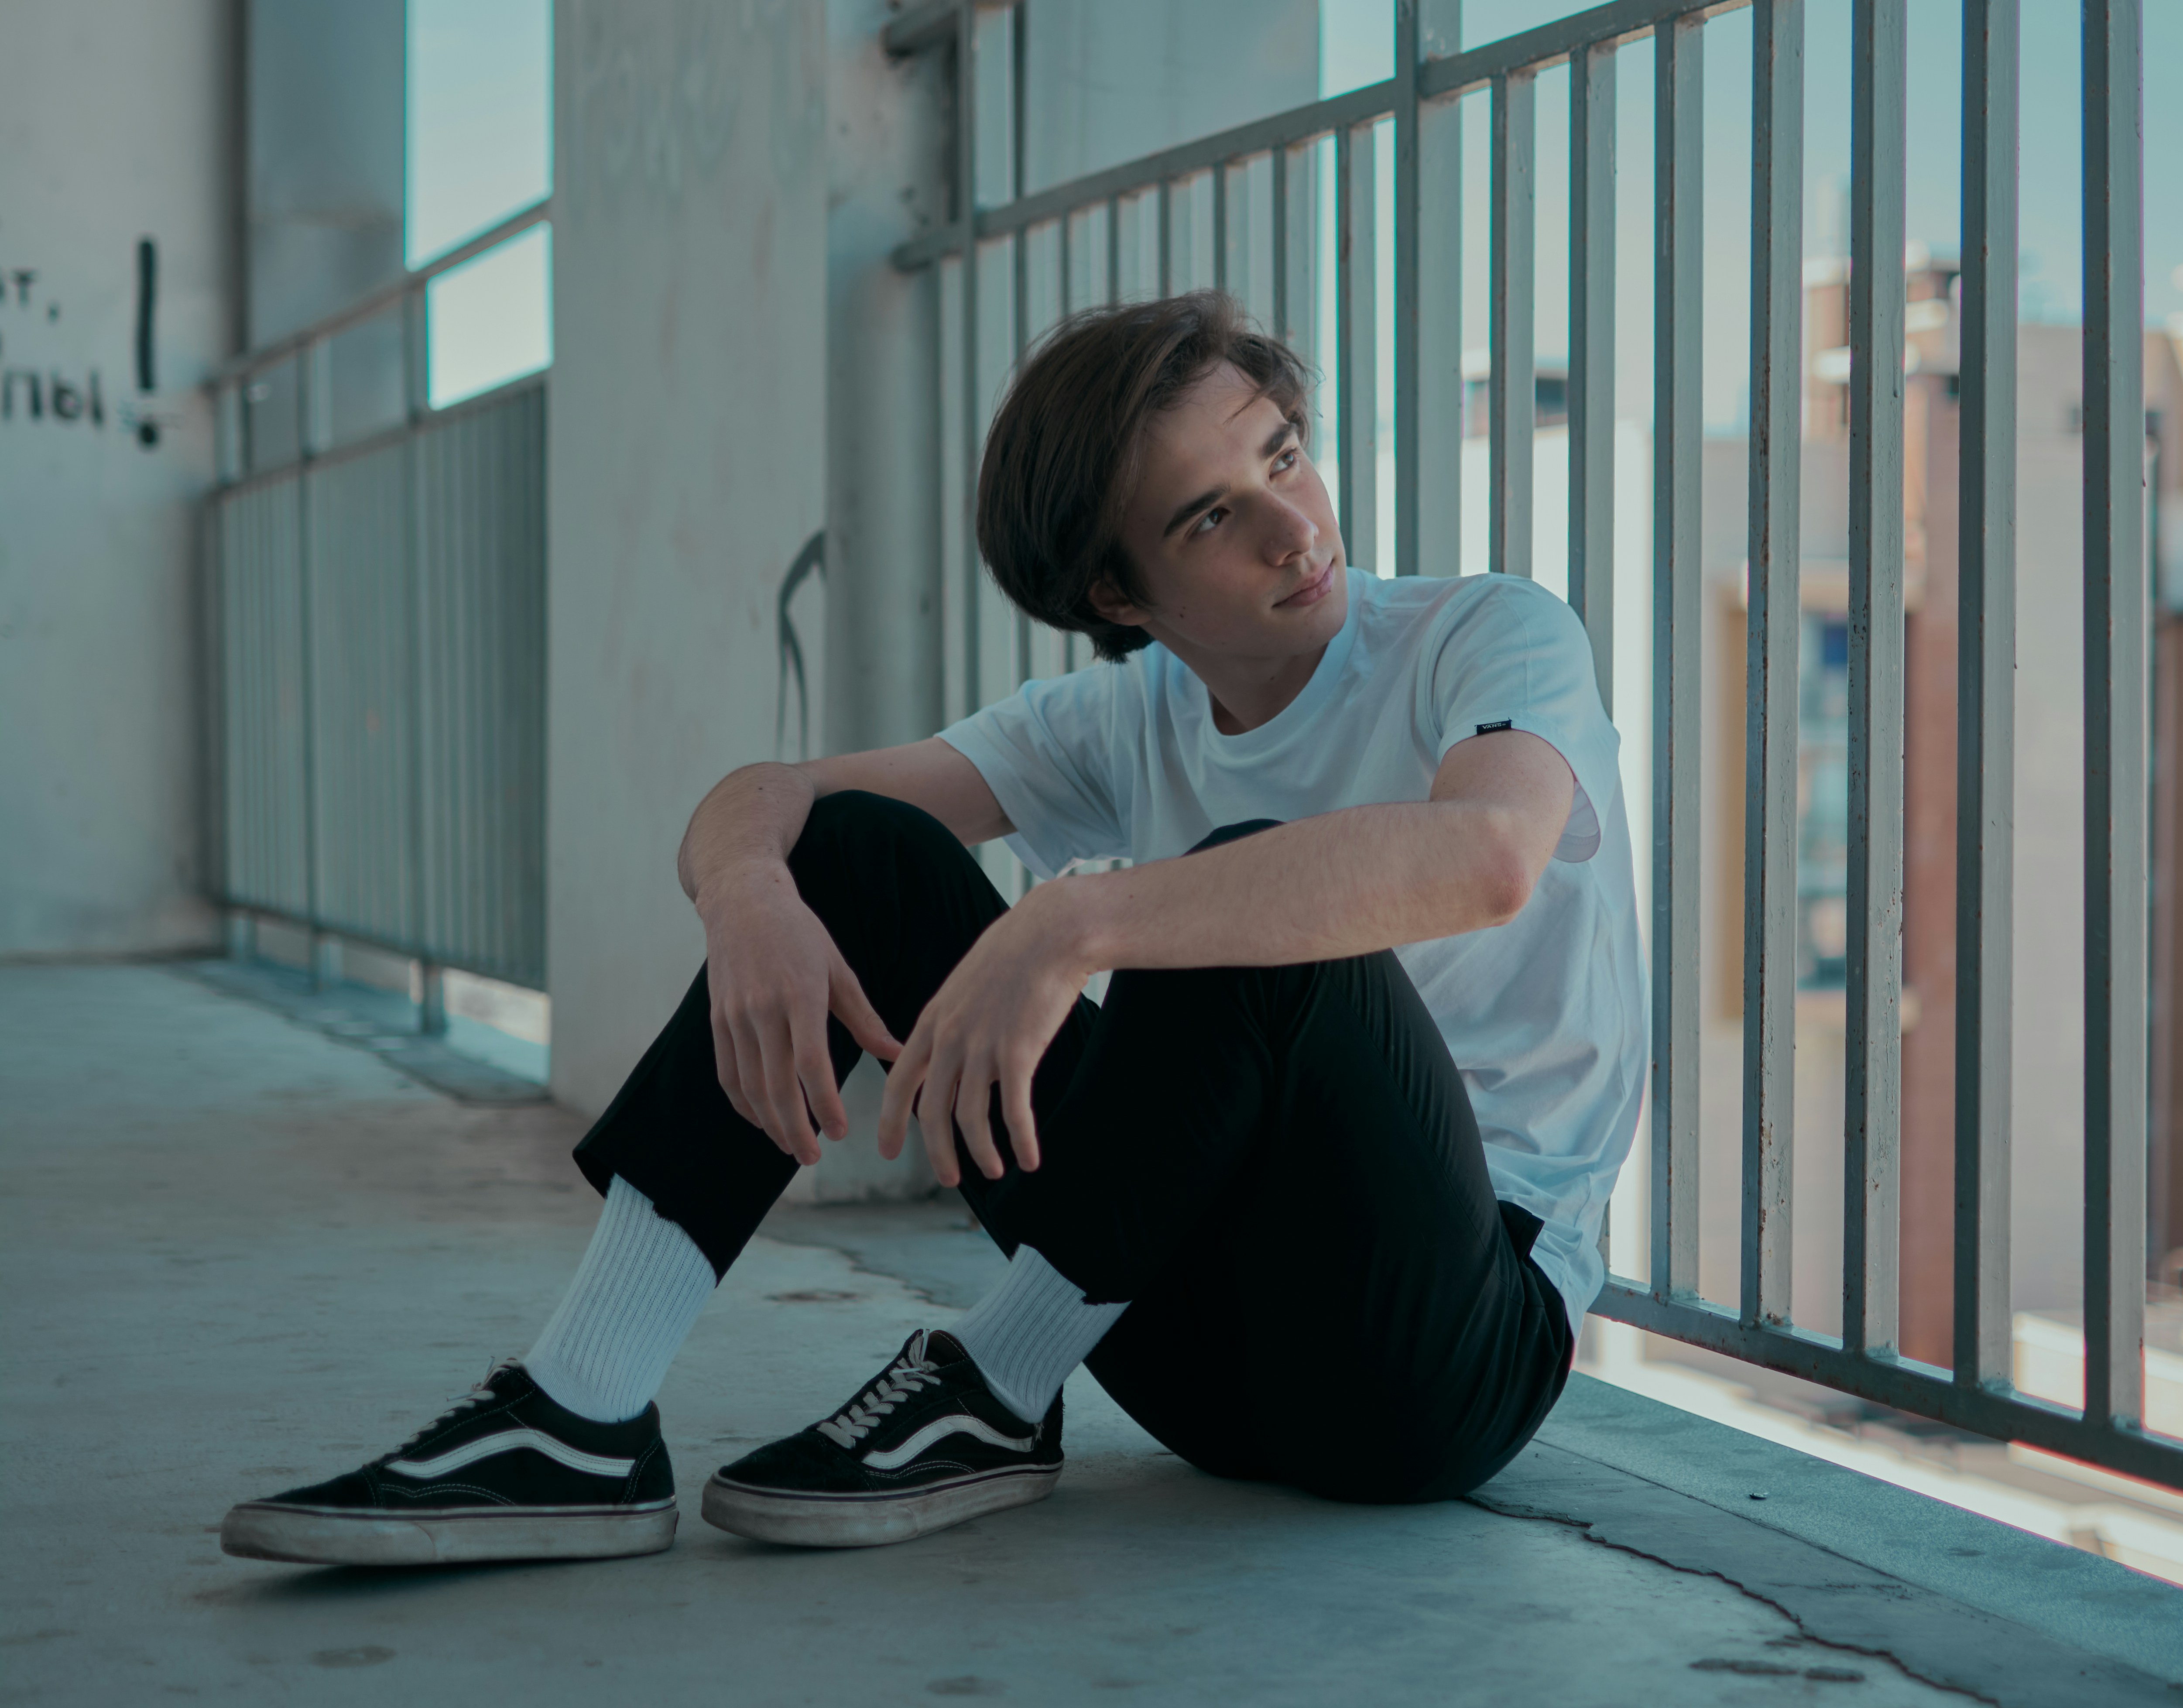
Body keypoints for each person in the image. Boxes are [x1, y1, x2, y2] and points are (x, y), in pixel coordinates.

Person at [221, 291, 1644, 1567]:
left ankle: (990, 1379)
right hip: (1198, 1353)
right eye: (1212, 514)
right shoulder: (1117, 718)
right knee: (854, 850)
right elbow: (767, 799)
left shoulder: (1485, 635)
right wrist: (747, 897)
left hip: (1437, 1355)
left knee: (1241, 901)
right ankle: (578, 1413)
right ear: (1116, 593)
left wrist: (1082, 922)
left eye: (1280, 455)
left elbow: (1489, 858)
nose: (1295, 525)